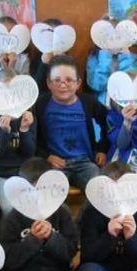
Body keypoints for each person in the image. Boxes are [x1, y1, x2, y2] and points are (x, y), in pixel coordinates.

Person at [0, 158, 87, 271]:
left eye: (41, 189)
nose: (36, 196)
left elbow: (70, 252)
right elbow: (10, 261)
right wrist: (33, 240)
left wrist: (51, 238)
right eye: (30, 190)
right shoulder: (11, 219)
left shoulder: (61, 213)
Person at [35, 55, 108, 190]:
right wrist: (46, 156)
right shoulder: (41, 104)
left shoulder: (89, 102)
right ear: (48, 83)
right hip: (56, 164)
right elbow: (33, 136)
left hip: (85, 163)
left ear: (78, 83)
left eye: (69, 80)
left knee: (99, 187)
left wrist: (102, 149)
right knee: (50, 192)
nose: (63, 85)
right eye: (57, 80)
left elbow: (107, 122)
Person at [0, 107, 36, 218]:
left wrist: (24, 129)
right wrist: (4, 132)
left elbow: (29, 152)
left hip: (25, 174)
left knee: (33, 206)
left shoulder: (28, 117)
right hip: (1, 175)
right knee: (8, 208)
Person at [86, 16, 137, 106]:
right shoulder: (95, 58)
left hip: (124, 106)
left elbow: (131, 83)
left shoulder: (131, 58)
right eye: (110, 39)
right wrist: (104, 57)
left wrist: (126, 57)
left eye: (118, 38)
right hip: (102, 107)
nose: (114, 42)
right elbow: (98, 85)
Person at [0, 16, 30, 83]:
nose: (8, 39)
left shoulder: (23, 59)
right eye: (3, 34)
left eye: (11, 34)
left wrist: (11, 68)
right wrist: (3, 68)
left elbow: (26, 84)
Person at [31, 18, 66, 94]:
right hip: (42, 100)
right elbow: (36, 87)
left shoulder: (68, 59)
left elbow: (71, 87)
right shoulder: (37, 59)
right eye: (48, 35)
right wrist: (44, 64)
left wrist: (63, 62)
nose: (52, 39)